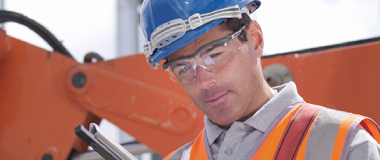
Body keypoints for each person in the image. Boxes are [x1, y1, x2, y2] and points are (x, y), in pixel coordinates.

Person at [140, 0, 380, 159]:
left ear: (254, 39)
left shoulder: (343, 145)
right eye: (183, 69)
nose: (204, 82)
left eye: (214, 54)